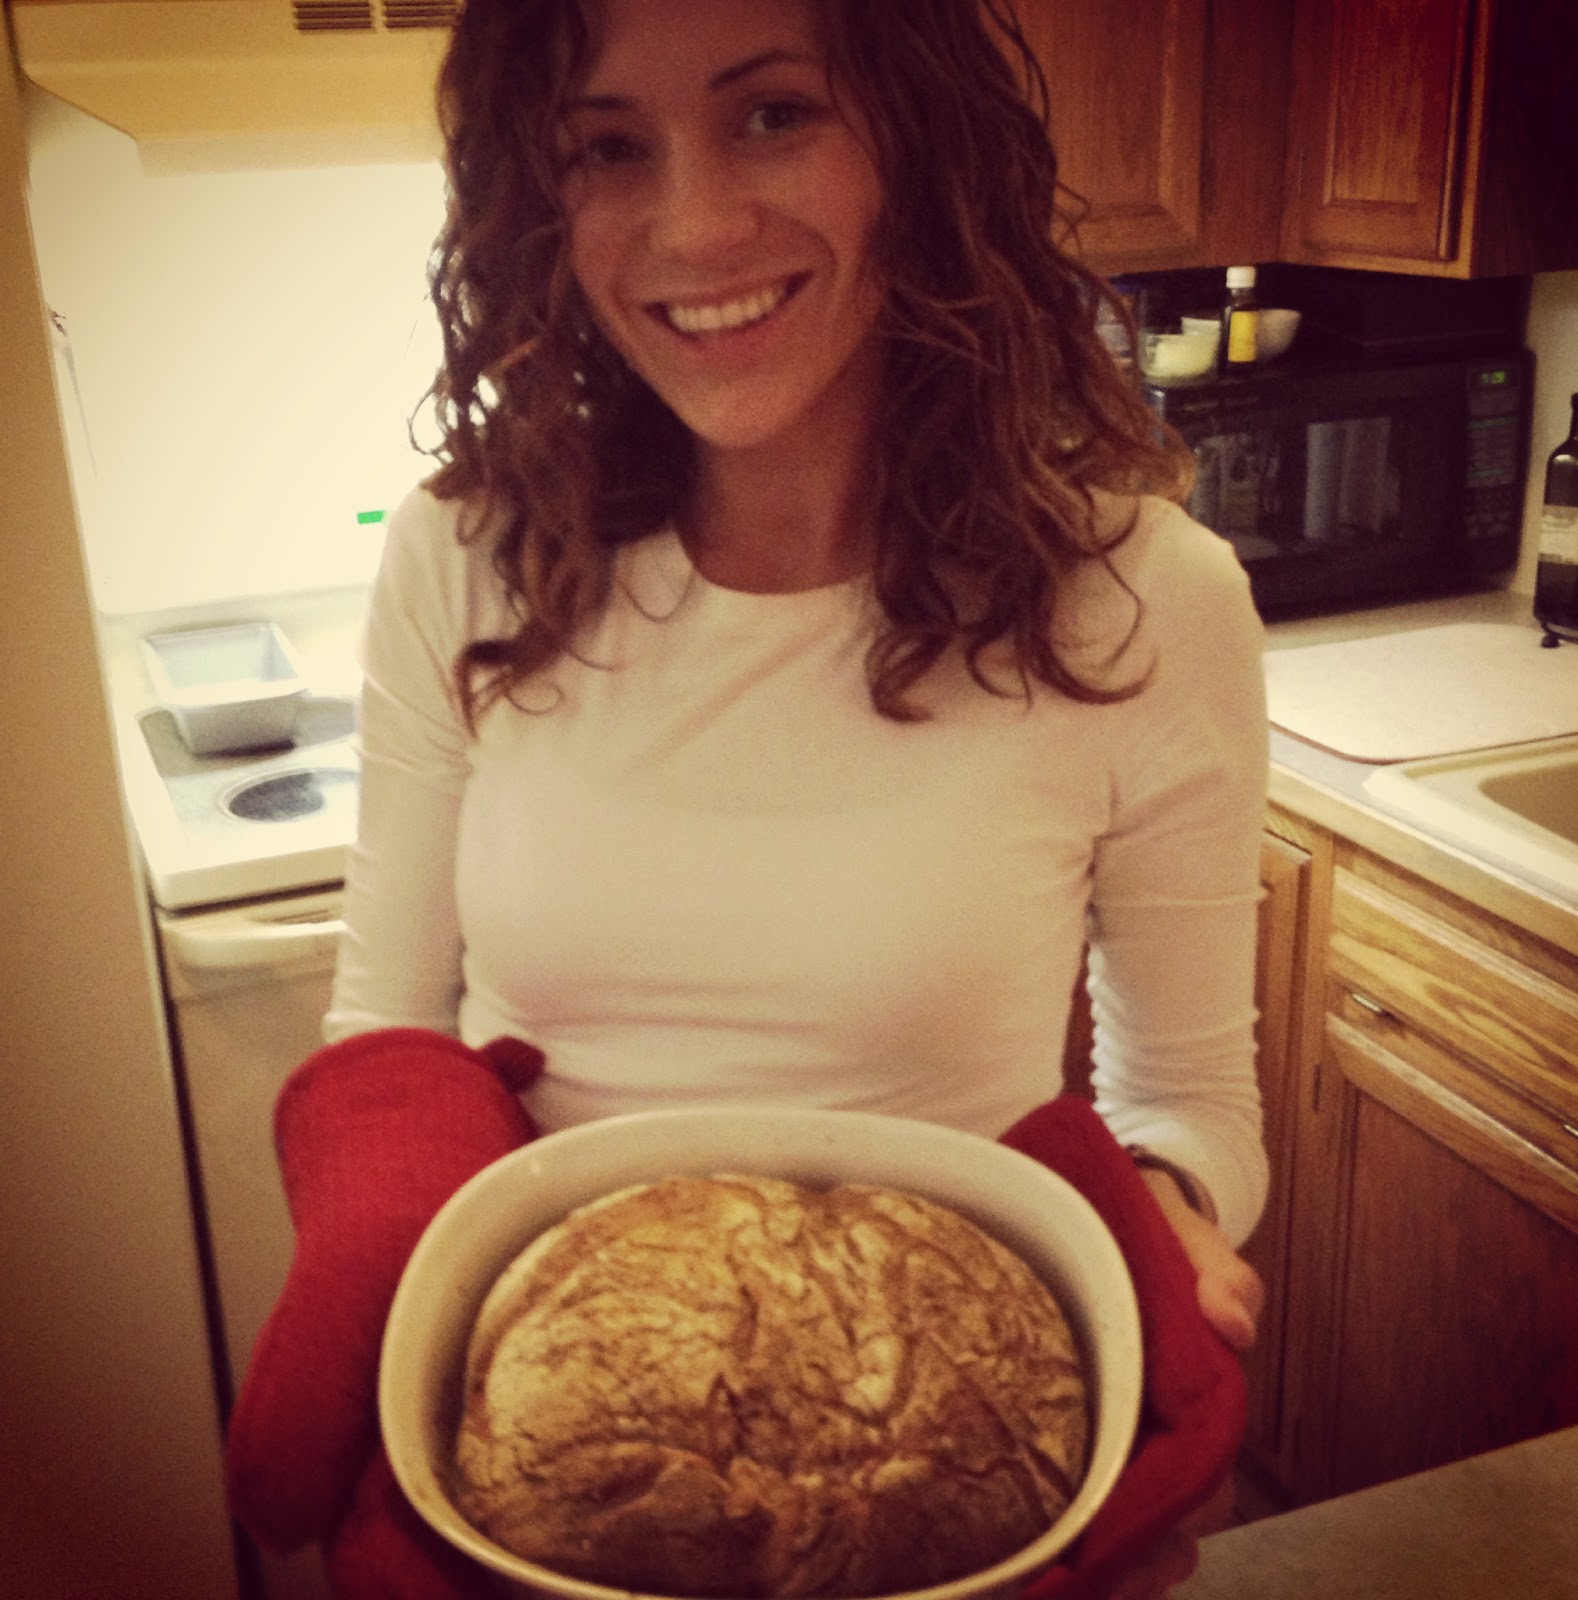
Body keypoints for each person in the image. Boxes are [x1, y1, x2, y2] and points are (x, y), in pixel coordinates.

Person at [232, 1, 1270, 1595]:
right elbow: (387, 1022)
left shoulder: (1141, 603)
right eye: (607, 147)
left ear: (918, 147)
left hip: (944, 1451)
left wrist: (1164, 1208)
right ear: (539, 201)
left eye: (775, 115)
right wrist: (385, 1244)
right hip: (566, 1451)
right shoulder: (467, 559)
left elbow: (1191, 1093)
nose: (696, 225)